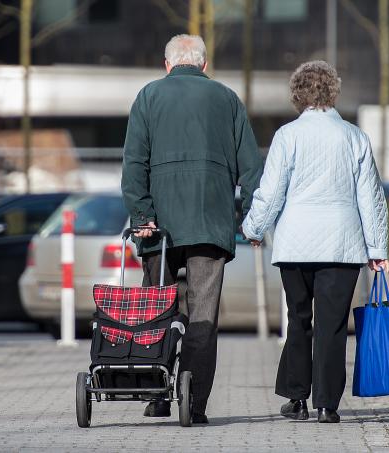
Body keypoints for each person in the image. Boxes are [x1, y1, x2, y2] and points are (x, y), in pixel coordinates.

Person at [121, 34, 263, 424]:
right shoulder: (228, 99)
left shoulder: (148, 97)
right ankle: (195, 402)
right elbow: (252, 168)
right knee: (203, 315)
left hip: (158, 229)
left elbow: (134, 164)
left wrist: (141, 214)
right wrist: (251, 218)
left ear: (167, 65)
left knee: (157, 309)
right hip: (210, 224)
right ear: (203, 65)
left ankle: (157, 395)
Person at [242, 61, 389, 423]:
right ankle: (327, 404)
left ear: (298, 94)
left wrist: (254, 228)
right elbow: (370, 197)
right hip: (342, 243)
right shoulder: (354, 136)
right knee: (333, 324)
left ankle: (297, 399)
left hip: (296, 243)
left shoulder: (287, 135)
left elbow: (272, 190)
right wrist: (377, 248)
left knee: (299, 319)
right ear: (333, 91)